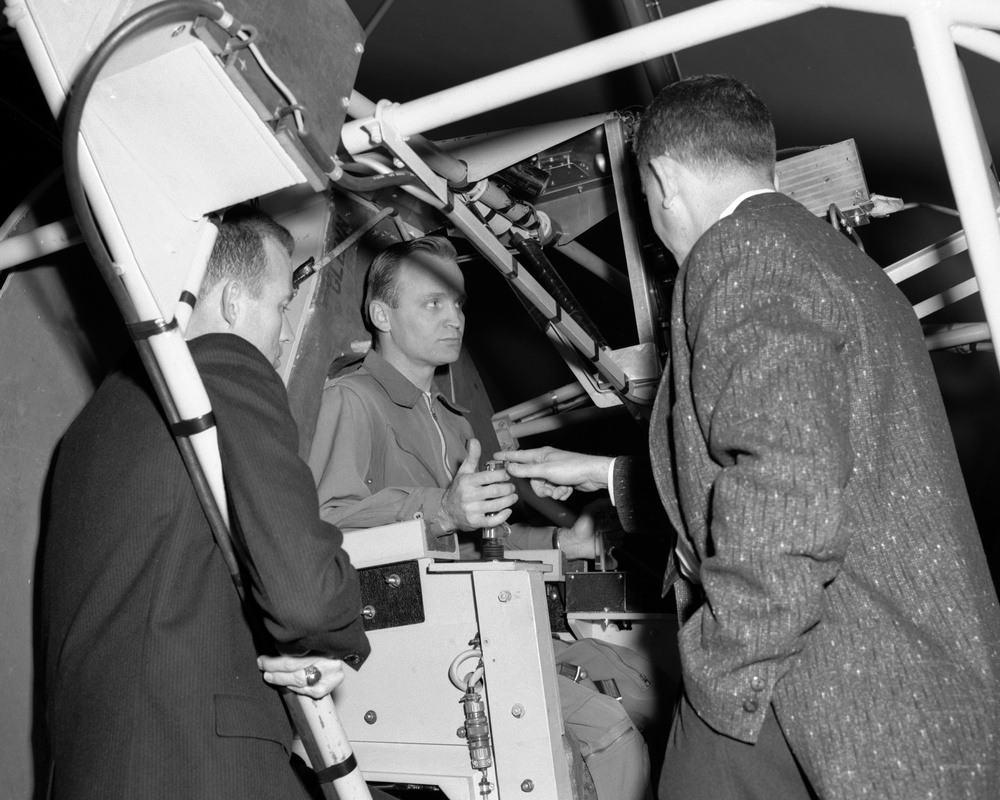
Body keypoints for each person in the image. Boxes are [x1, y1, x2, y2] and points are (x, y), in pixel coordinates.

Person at [497, 75, 1000, 800]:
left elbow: (785, 489)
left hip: (806, 676)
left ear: (662, 180)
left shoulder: (740, 255)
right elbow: (806, 461)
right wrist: (608, 475)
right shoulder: (832, 260)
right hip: (901, 679)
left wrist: (720, 671)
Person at [40, 211, 372, 800]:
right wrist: (333, 633)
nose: (287, 333)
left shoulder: (91, 424)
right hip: (205, 769)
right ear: (234, 301)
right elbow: (308, 595)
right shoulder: (223, 367)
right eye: (280, 306)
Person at [307, 235, 653, 800]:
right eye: (433, 304)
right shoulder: (352, 401)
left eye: (458, 304)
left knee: (642, 690)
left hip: (484, 625)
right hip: (410, 641)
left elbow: (481, 540)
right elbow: (323, 529)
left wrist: (565, 539)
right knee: (609, 735)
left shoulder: (454, 423)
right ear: (381, 314)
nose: (454, 318)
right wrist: (440, 509)